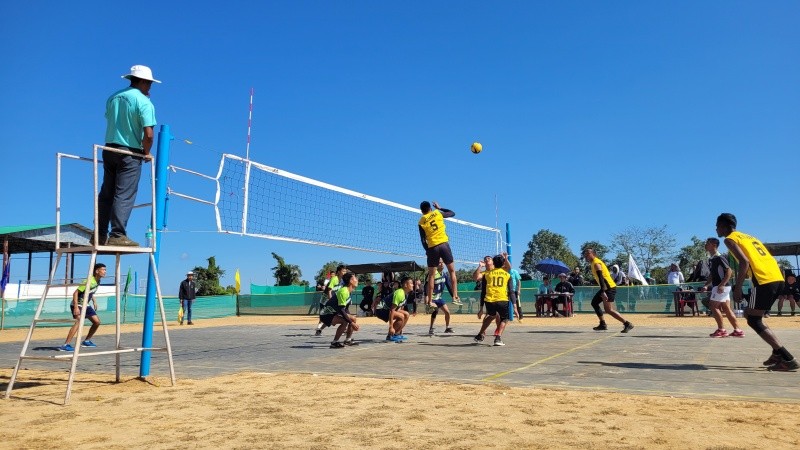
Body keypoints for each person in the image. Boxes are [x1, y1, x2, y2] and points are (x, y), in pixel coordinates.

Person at [716, 213, 798, 371]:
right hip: (777, 278)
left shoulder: (730, 239)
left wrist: (738, 287)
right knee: (751, 315)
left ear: (725, 226)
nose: (716, 229)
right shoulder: (749, 237)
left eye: (717, 225)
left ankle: (787, 358)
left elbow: (744, 262)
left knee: (753, 320)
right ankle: (777, 353)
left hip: (764, 280)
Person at [98, 65, 159, 247]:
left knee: (107, 193)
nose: (150, 87)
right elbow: (148, 134)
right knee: (124, 194)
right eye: (149, 83)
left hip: (109, 149)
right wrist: (146, 153)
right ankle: (117, 234)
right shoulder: (144, 102)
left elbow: (112, 120)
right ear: (142, 81)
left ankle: (99, 234)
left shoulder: (113, 97)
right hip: (130, 152)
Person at [418, 201, 461, 306]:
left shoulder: (421, 221)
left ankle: (430, 301)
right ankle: (455, 296)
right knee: (451, 272)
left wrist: (427, 251)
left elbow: (423, 240)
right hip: (443, 245)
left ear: (422, 211)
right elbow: (452, 213)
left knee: (432, 275)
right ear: (430, 208)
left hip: (432, 248)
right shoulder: (437, 213)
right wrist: (440, 207)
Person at [701, 238, 744, 338]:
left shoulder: (719, 257)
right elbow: (712, 274)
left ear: (714, 245)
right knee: (726, 309)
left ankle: (721, 330)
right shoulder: (712, 258)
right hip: (721, 286)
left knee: (713, 306)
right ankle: (738, 330)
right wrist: (706, 285)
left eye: (707, 243)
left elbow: (729, 271)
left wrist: (722, 284)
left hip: (721, 286)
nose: (705, 245)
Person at [584, 248, 634, 333]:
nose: (586, 255)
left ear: (593, 254)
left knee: (609, 310)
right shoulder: (593, 263)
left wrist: (603, 292)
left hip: (609, 288)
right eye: (585, 253)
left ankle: (627, 323)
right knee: (594, 303)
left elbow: (601, 278)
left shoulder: (596, 263)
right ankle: (602, 324)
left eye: (588, 253)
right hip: (605, 287)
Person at [59, 263, 107, 351]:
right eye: (103, 269)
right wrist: (76, 307)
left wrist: (94, 300)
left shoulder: (98, 280)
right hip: (77, 304)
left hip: (86, 305)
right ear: (97, 271)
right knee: (79, 322)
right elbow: (75, 293)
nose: (105, 272)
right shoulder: (89, 281)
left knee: (97, 322)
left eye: (105, 270)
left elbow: (89, 291)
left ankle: (87, 341)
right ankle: (65, 345)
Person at [475, 254, 512, 346]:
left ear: (493, 262)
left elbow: (483, 292)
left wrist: (481, 308)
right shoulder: (504, 273)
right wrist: (480, 266)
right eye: (485, 259)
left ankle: (482, 334)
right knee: (503, 318)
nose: (487, 260)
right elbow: (475, 277)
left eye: (489, 258)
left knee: (492, 316)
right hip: (500, 299)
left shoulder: (488, 274)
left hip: (490, 300)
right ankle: (498, 337)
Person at [323, 273, 360, 348]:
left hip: (335, 311)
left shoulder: (349, 291)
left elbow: (345, 308)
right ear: (351, 281)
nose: (357, 280)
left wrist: (351, 320)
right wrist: (351, 323)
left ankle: (348, 340)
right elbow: (341, 310)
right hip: (327, 313)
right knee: (345, 321)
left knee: (352, 318)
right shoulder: (344, 291)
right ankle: (334, 343)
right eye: (355, 278)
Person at [315, 265, 346, 336]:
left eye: (345, 271)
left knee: (332, 316)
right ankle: (319, 328)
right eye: (343, 271)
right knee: (325, 316)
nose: (344, 272)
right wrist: (331, 301)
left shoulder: (342, 281)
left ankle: (319, 330)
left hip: (332, 300)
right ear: (338, 272)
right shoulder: (334, 279)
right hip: (325, 300)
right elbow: (329, 290)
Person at [428, 258, 455, 335]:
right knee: (435, 311)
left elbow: (449, 286)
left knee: (447, 312)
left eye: (443, 262)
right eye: (440, 263)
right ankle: (431, 328)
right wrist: (427, 298)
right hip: (432, 297)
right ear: (436, 264)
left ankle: (447, 327)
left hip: (439, 297)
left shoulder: (445, 274)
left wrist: (453, 296)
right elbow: (427, 287)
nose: (442, 264)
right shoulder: (432, 273)